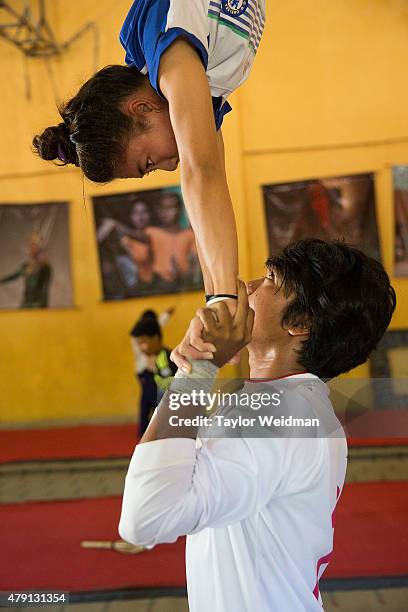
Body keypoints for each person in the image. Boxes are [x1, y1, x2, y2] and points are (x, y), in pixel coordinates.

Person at [119, 239, 396, 611]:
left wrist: (199, 369)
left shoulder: (281, 415)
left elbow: (146, 517)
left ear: (300, 322)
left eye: (269, 279)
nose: (247, 287)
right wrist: (195, 366)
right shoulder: (290, 404)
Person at [32, 1, 266, 321]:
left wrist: (223, 299)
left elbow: (203, 172)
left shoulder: (168, 57)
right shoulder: (202, 85)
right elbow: (209, 194)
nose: (170, 166)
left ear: (141, 109)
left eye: (149, 162)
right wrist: (215, 299)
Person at [129, 308, 176, 434]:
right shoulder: (156, 358)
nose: (141, 348)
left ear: (155, 338)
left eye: (143, 342)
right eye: (139, 344)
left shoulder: (166, 360)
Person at [145, 192, 201, 290]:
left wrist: (182, 275)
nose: (165, 212)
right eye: (162, 208)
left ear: (179, 210)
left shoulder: (189, 235)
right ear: (158, 211)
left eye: (170, 207)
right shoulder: (151, 232)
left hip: (183, 286)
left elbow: (194, 266)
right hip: (158, 285)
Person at [0, 235, 52, 308]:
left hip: (38, 304)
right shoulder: (26, 266)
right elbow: (14, 275)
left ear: (40, 250)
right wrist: (1, 280)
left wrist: (42, 306)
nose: (31, 249)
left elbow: (45, 288)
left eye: (35, 247)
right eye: (31, 247)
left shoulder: (45, 267)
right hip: (27, 302)